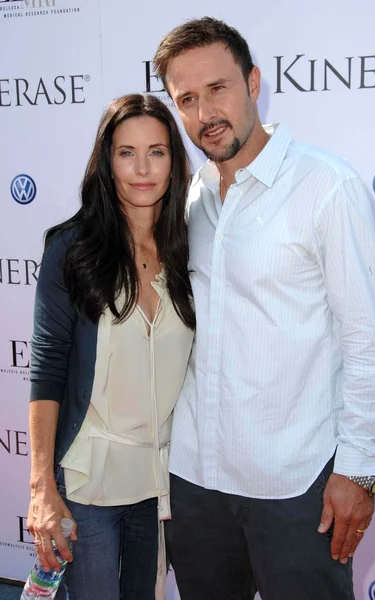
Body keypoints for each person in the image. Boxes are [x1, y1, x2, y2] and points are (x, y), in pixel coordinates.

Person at [153, 17, 375, 600]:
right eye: (187, 98)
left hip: (295, 482)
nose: (206, 112)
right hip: (193, 483)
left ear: (254, 82)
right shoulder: (184, 199)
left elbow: (368, 338)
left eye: (218, 89)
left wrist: (360, 468)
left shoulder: (326, 186)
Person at [27, 93, 195, 600]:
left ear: (174, 162)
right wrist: (41, 487)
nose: (142, 168)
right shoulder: (72, 251)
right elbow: (47, 369)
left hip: (162, 483)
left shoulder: (190, 248)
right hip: (87, 484)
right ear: (106, 161)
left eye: (157, 151)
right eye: (126, 152)